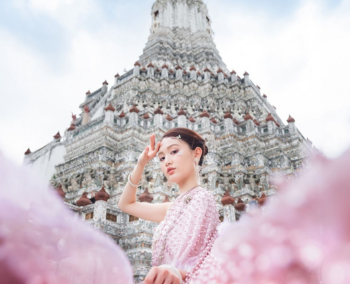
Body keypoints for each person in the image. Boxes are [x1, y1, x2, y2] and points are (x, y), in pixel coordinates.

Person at [118, 128, 220, 284]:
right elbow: (125, 204)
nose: (167, 161)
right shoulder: (172, 209)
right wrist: (141, 163)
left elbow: (200, 261)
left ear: (196, 153)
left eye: (174, 151)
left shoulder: (202, 199)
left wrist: (176, 273)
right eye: (161, 158)